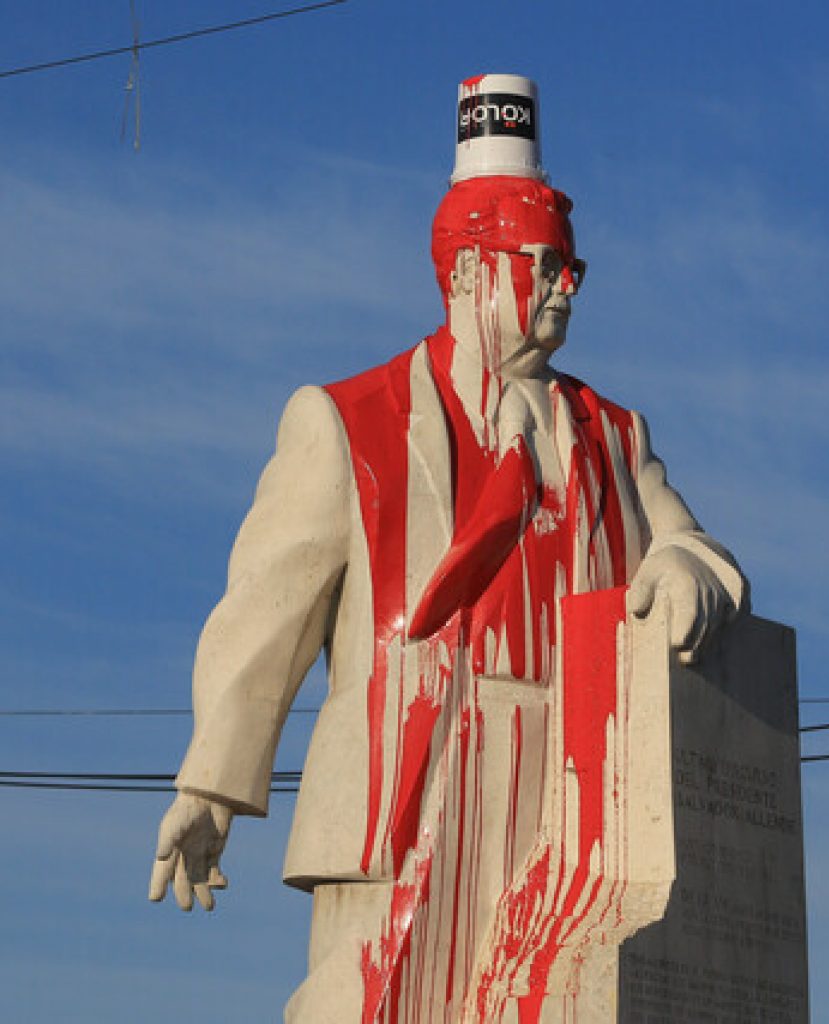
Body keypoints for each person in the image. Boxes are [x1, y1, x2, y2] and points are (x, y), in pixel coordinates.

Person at [150, 79, 746, 1023]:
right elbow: (269, 608)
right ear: (469, 269)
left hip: (565, 794)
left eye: (572, 269)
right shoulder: (349, 422)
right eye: (544, 265)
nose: (566, 288)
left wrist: (684, 568)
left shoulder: (612, 437)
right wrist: (210, 783)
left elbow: (697, 549)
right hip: (402, 786)